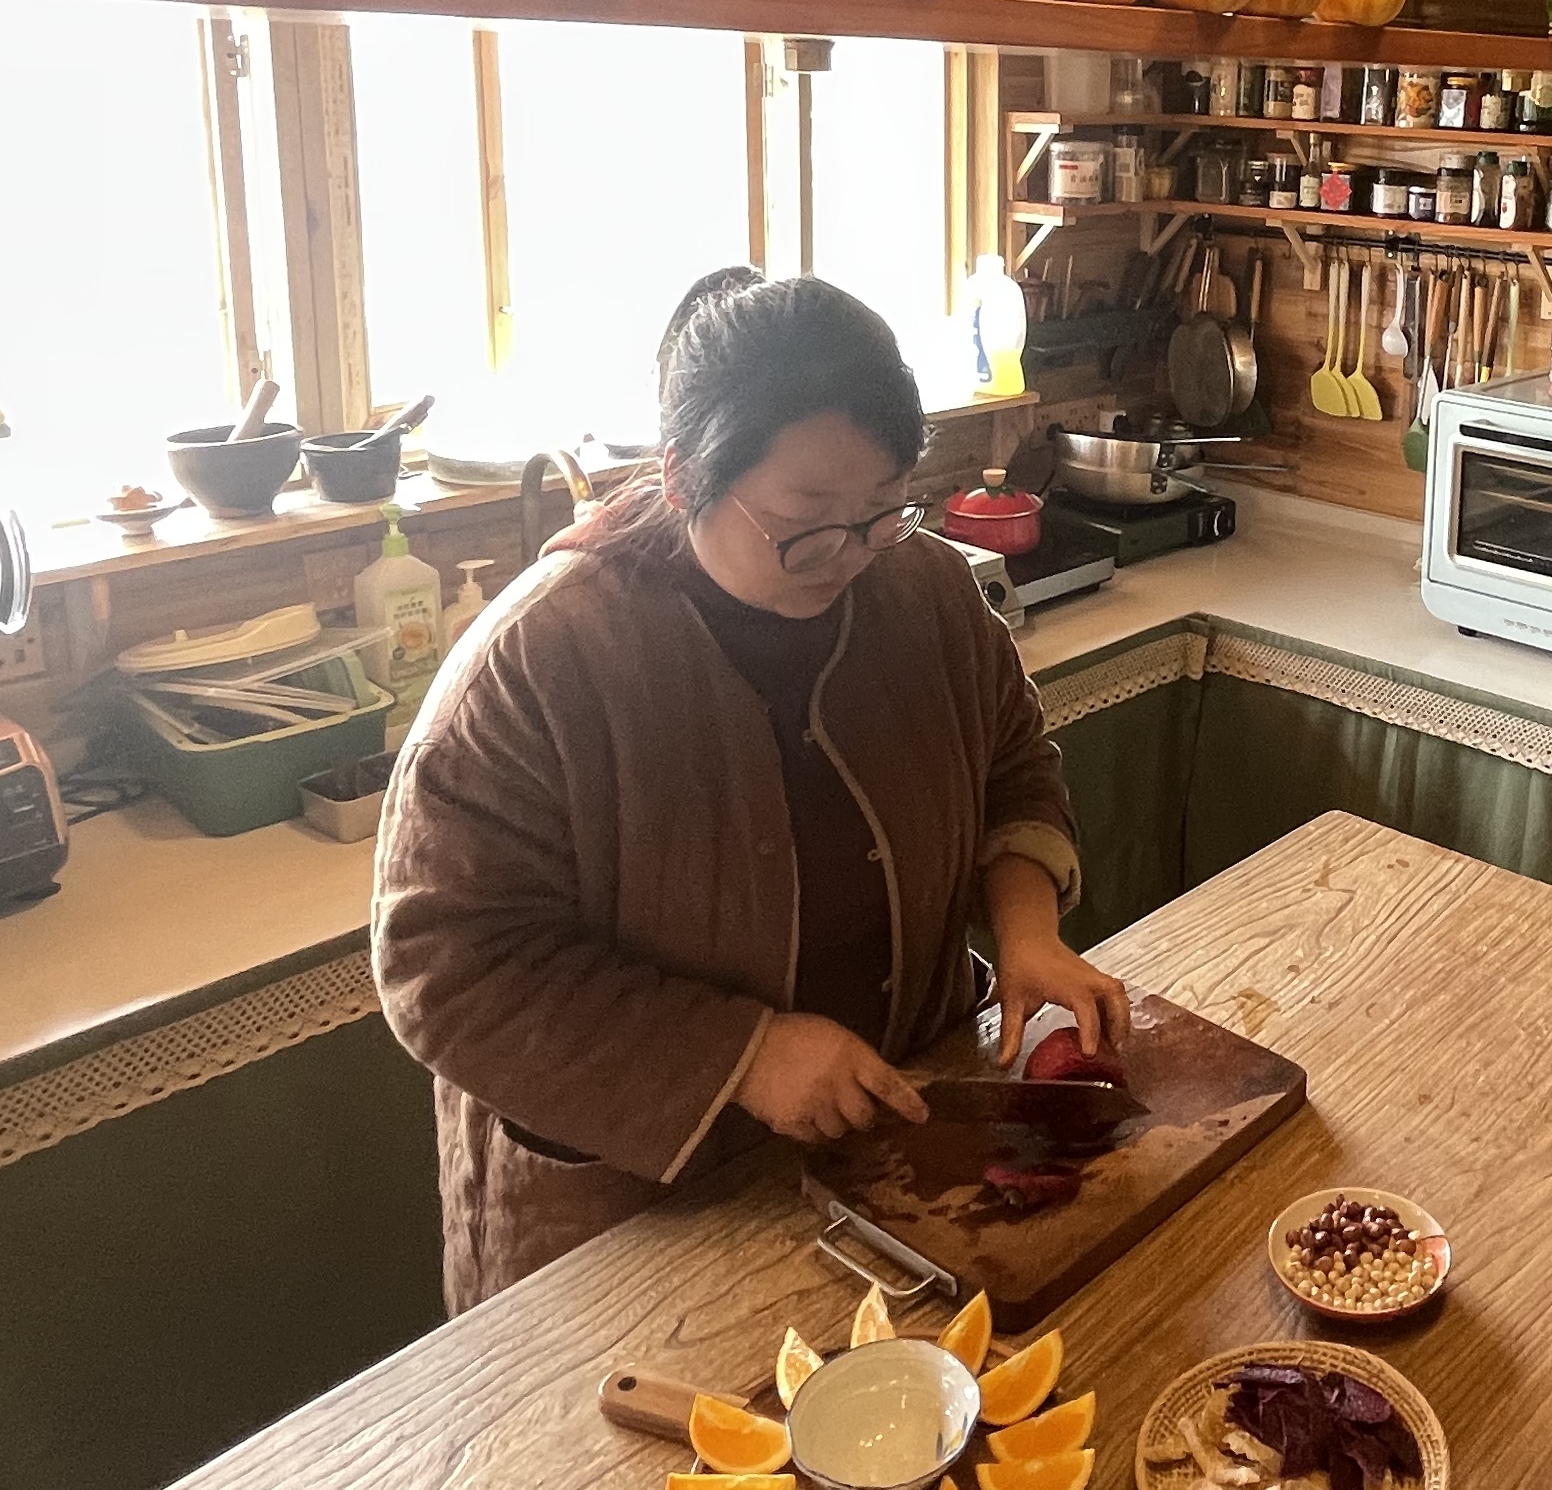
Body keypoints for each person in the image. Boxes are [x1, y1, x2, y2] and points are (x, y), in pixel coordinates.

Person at [372, 267, 1122, 1311]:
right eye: (809, 517)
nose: (850, 555)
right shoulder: (541, 661)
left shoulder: (924, 592)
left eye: (880, 509)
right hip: (635, 1226)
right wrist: (745, 1055)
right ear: (683, 479)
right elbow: (443, 969)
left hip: (897, 1161)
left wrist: (1028, 932)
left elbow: (1011, 762)